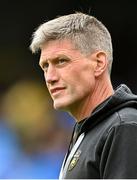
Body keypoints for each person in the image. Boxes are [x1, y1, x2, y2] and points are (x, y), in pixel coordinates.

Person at [29, 12, 137, 179]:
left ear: (99, 63)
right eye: (45, 66)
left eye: (61, 61)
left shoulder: (124, 127)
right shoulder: (91, 129)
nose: (50, 77)